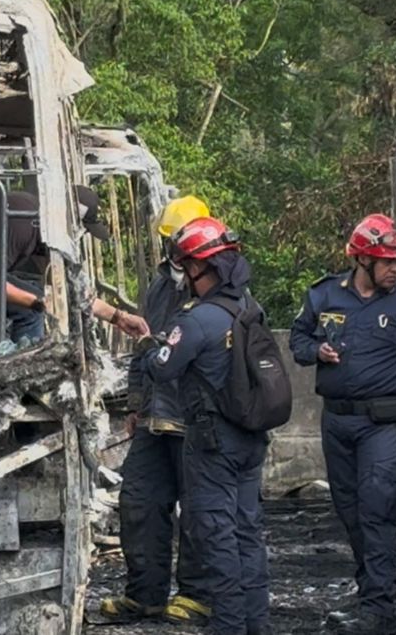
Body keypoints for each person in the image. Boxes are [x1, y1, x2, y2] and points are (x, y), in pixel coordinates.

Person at [289, 213, 396, 634]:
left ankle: (378, 605)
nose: (394, 268)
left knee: (379, 504)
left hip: (384, 423)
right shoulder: (325, 296)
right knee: (350, 509)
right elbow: (298, 340)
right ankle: (370, 589)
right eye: (385, 261)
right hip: (337, 421)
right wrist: (316, 351)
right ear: (361, 261)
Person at [137, 217, 271, 635]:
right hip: (250, 438)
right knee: (248, 533)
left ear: (200, 268)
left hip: (212, 445)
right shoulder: (250, 307)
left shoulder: (196, 319)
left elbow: (162, 368)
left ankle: (228, 627)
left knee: (216, 536)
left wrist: (146, 345)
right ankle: (256, 625)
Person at [99, 195, 213, 625]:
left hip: (196, 419)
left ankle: (197, 594)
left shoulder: (220, 291)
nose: (174, 253)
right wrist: (134, 402)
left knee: (199, 509)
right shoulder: (161, 285)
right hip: (154, 417)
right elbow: (143, 343)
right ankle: (144, 595)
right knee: (140, 502)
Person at [0, 185, 148, 362]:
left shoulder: (45, 230)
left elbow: (70, 289)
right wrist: (40, 303)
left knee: (30, 310)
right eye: (82, 229)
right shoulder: (24, 221)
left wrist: (118, 317)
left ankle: (27, 369)